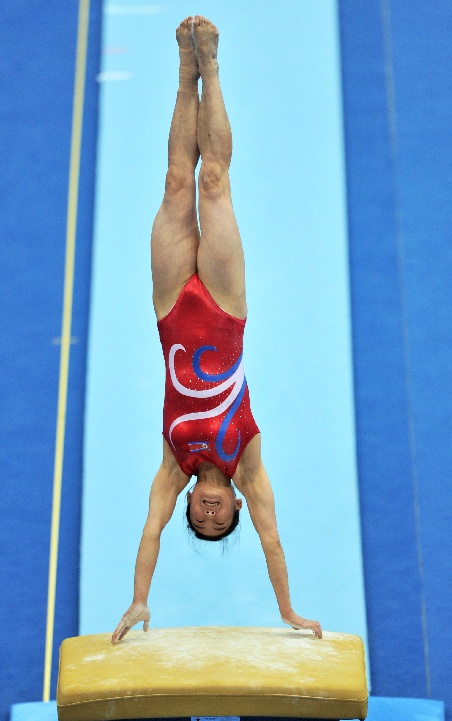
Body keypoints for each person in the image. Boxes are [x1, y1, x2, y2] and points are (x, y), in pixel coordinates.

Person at [111, 16, 322, 644]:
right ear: (232, 508)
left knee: (178, 181)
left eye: (198, 522)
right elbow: (274, 536)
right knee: (214, 182)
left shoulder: (174, 468)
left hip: (172, 306)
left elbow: (150, 531)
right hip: (226, 310)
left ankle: (185, 70)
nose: (207, 514)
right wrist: (287, 611)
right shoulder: (247, 461)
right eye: (219, 520)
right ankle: (213, 65)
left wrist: (138, 599)